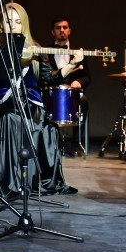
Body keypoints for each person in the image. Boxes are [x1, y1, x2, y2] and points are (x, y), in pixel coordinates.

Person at [0, 3, 79, 197]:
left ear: (24, 24)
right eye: (8, 21)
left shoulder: (34, 48)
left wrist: (72, 65)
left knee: (48, 126)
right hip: (2, 106)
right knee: (11, 120)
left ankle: (41, 181)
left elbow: (49, 78)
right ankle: (13, 183)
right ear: (1, 24)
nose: (13, 26)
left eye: (18, 22)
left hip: (29, 106)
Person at [46, 15, 91, 156]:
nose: (62, 30)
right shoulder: (46, 51)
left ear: (69, 30)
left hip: (72, 93)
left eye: (65, 27)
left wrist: (79, 82)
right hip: (51, 93)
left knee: (83, 102)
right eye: (58, 28)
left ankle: (76, 143)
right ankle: (48, 142)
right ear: (53, 31)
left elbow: (87, 76)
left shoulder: (79, 52)